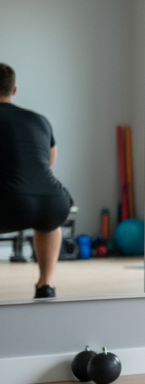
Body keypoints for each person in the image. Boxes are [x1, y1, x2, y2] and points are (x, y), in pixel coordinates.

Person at [0, 64, 73, 299]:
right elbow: (49, 161)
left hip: (12, 205)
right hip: (55, 202)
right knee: (49, 223)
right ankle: (46, 285)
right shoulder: (39, 120)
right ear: (14, 90)